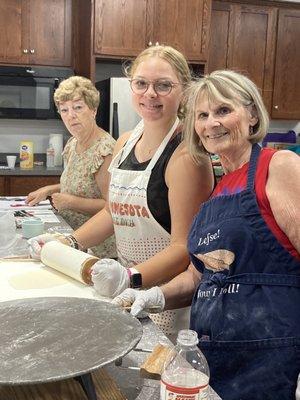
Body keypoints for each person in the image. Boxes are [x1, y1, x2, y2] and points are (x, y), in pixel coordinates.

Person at [113, 70, 300, 399]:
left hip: (268, 354)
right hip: (211, 353)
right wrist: (154, 296)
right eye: (202, 115)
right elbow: (200, 276)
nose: (211, 123)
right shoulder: (217, 189)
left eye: (223, 111)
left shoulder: (279, 167)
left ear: (253, 115)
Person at [30, 45, 214, 336]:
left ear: (184, 90)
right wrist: (66, 242)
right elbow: (112, 211)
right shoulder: (126, 141)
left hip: (167, 300)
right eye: (141, 83)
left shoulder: (186, 157)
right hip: (128, 288)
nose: (150, 93)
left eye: (163, 85)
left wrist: (129, 278)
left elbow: (183, 248)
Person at [26, 76, 116, 258]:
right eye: (64, 110)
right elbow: (83, 184)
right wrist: (50, 189)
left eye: (78, 107)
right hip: (70, 237)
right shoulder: (72, 144)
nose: (71, 115)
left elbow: (112, 207)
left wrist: (70, 202)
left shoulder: (104, 150)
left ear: (93, 110)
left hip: (96, 248)